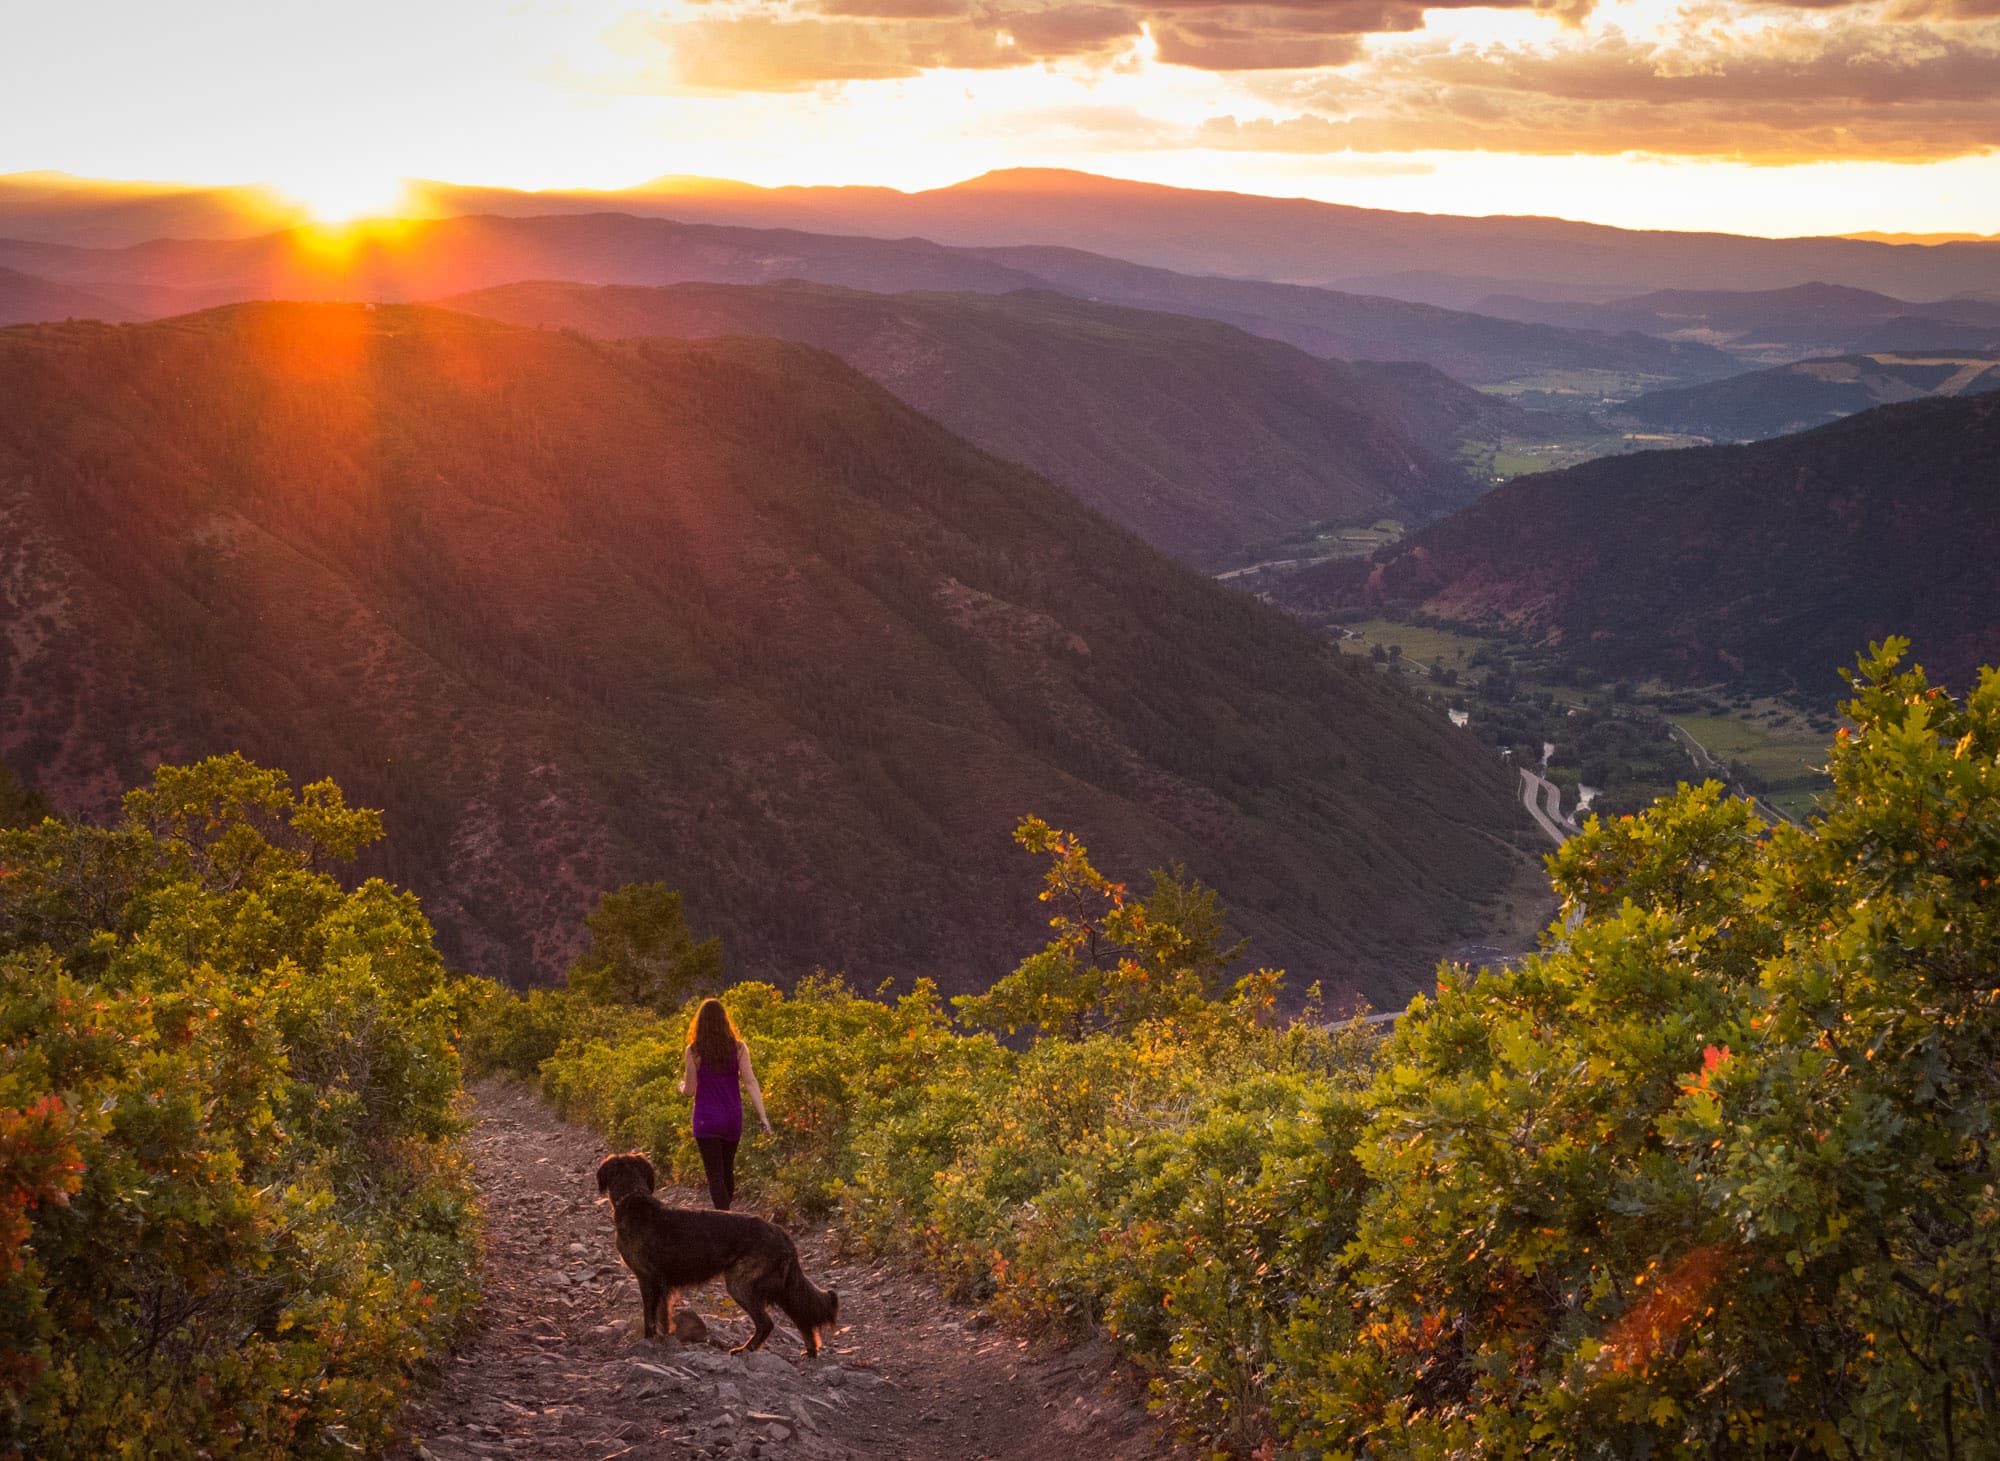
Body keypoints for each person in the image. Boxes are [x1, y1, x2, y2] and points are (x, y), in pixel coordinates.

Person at [679, 998, 771, 1210]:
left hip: (706, 1120)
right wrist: (763, 1117)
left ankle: (724, 1219)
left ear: (700, 1023)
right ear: (724, 1021)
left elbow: (690, 1091)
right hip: (732, 1118)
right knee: (727, 1170)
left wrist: (681, 1086)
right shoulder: (738, 1048)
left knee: (715, 1175)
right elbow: (750, 1081)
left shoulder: (694, 1051)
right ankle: (727, 1218)